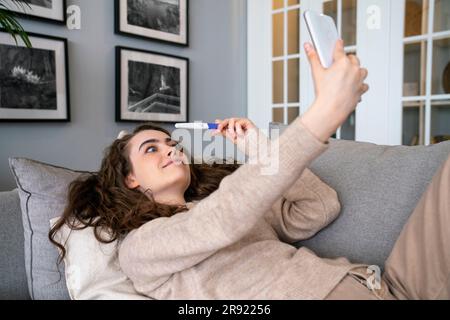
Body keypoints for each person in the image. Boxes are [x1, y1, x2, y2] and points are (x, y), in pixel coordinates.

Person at [49, 40, 450, 300]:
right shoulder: (142, 247)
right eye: (152, 148)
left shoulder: (225, 205)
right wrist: (322, 115)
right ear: (130, 180)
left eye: (171, 143)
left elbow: (319, 207)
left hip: (386, 286)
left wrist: (257, 146)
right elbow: (217, 223)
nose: (171, 149)